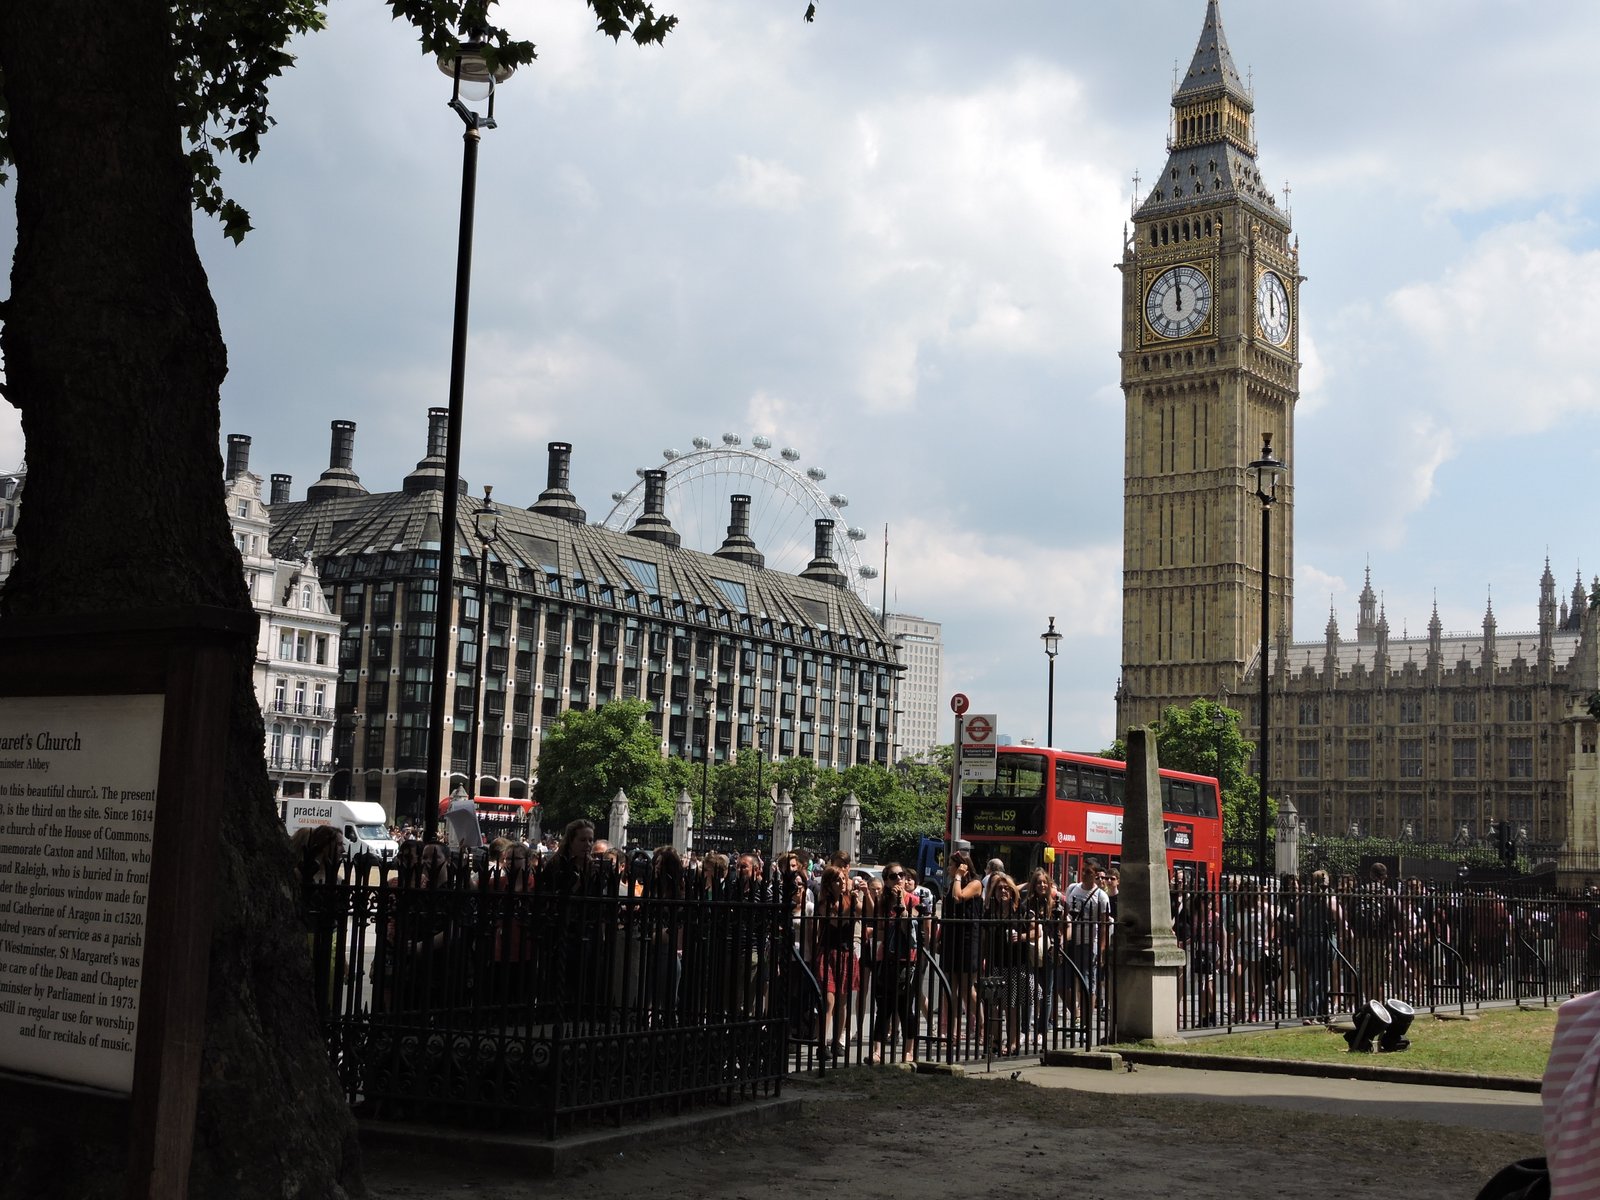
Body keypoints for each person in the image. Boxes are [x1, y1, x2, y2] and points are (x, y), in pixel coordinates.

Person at [813, 865, 862, 1061]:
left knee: (842, 1001)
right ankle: (822, 1043)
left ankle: (837, 1042)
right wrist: (850, 899)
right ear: (828, 884)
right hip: (828, 952)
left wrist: (860, 895)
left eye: (843, 879)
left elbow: (867, 911)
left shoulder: (852, 898)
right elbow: (837, 920)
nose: (841, 883)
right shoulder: (825, 901)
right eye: (837, 880)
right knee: (829, 1000)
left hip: (847, 952)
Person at [939, 850, 983, 1045]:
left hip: (967, 939)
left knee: (967, 988)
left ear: (962, 866)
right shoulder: (952, 883)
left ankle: (983, 1026)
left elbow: (959, 898)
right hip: (951, 938)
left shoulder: (975, 883)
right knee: (952, 988)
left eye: (951, 865)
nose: (949, 868)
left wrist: (958, 877)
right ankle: (953, 1032)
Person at [1065, 857, 1110, 1027]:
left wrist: (1101, 949)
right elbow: (1066, 915)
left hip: (1089, 943)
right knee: (1067, 981)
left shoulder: (1101, 897)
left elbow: (1104, 925)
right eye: (1083, 870)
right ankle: (1076, 1015)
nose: (1083, 874)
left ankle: (1086, 1022)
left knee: (1087, 981)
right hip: (1070, 941)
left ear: (1096, 874)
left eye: (1088, 872)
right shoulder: (1072, 889)